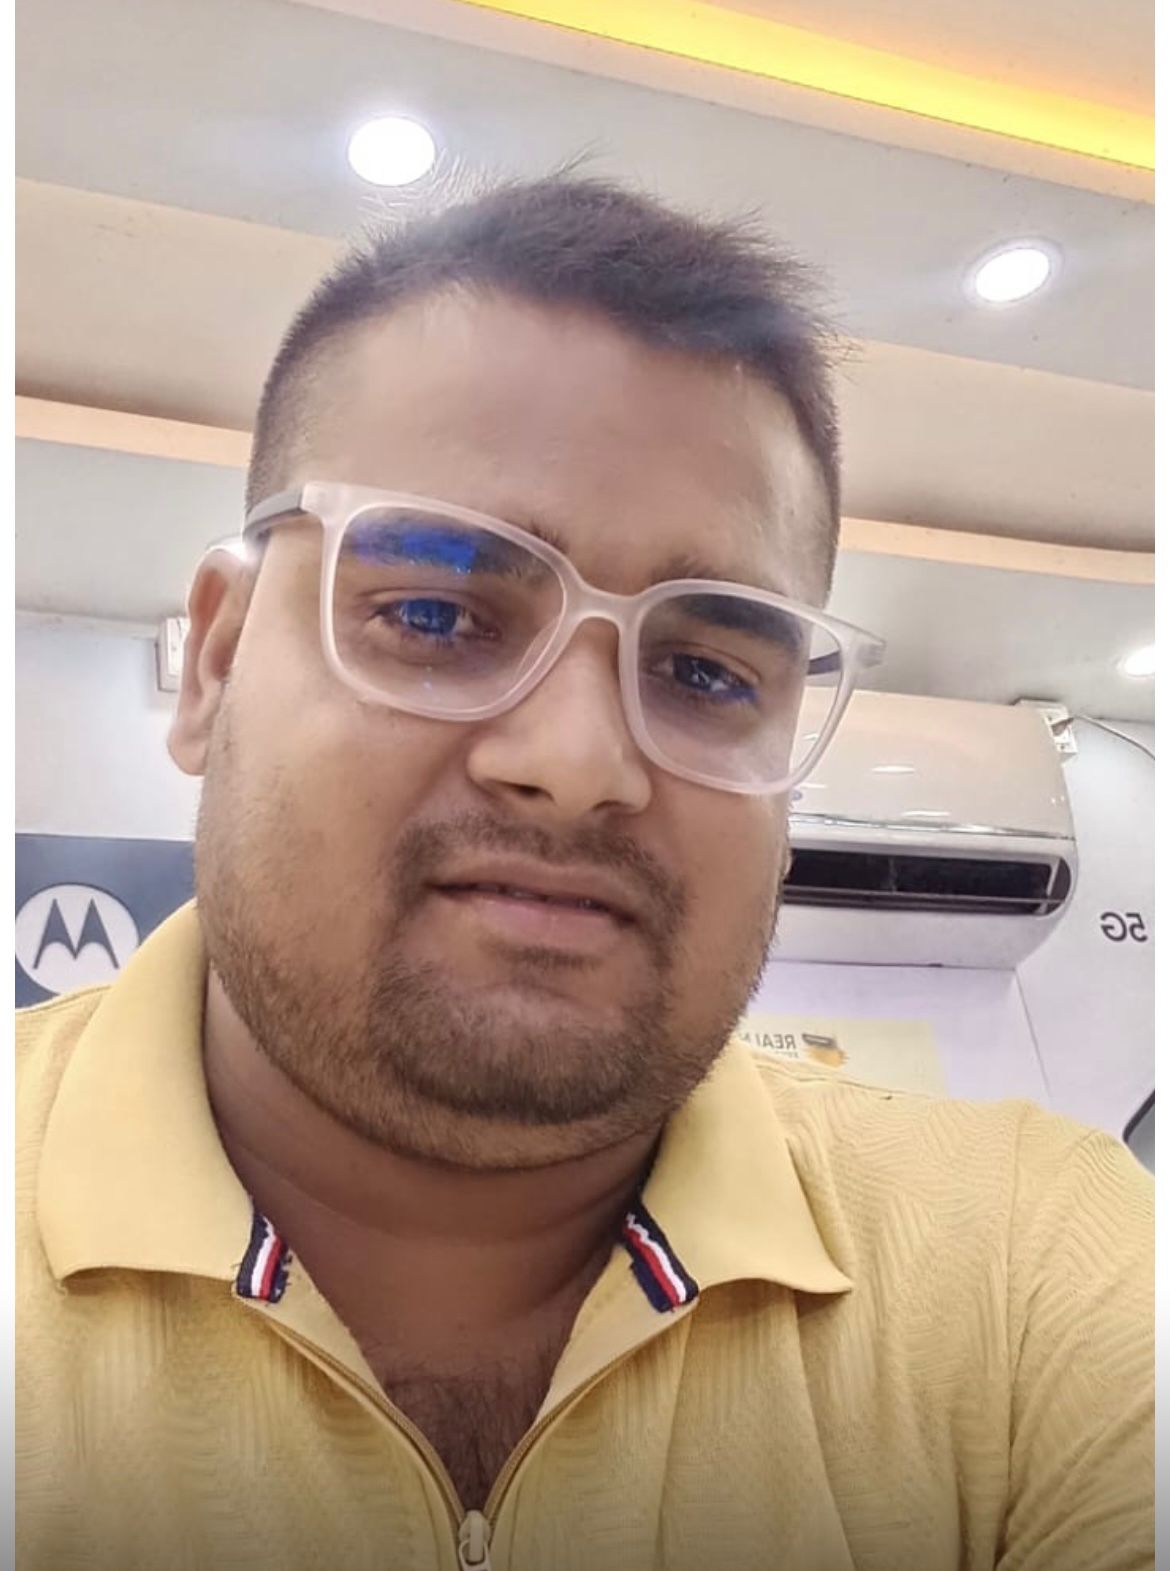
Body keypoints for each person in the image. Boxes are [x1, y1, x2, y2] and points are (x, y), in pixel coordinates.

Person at [17, 176, 1152, 1571]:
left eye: (703, 671)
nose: (579, 761)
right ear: (214, 660)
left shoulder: (1031, 1267)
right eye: (435, 613)